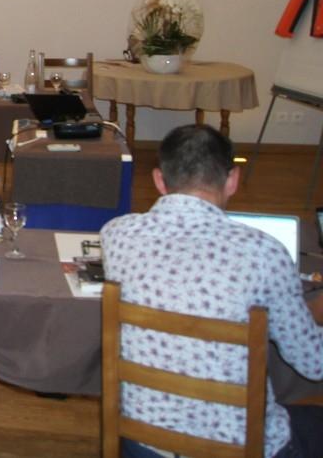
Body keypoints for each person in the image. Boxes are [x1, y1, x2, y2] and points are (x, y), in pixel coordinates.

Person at [101, 124, 323, 458]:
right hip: (238, 446)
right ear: (232, 179)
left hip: (144, 443)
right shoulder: (263, 252)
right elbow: (313, 363)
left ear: (160, 180)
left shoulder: (116, 235)